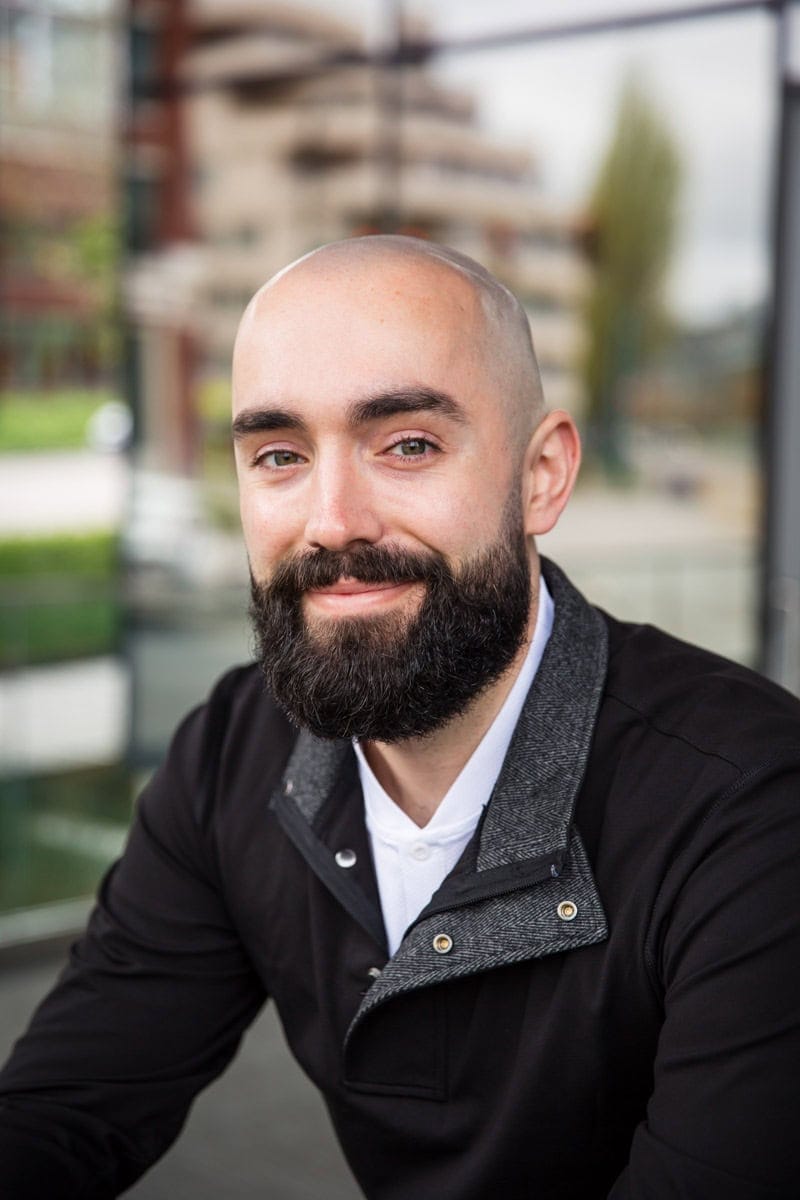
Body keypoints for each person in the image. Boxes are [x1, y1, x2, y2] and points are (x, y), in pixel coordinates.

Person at [1, 236, 800, 1200]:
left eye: (409, 444)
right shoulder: (234, 751)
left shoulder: (753, 807)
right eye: (280, 455)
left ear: (541, 475)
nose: (333, 520)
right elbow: (65, 1109)